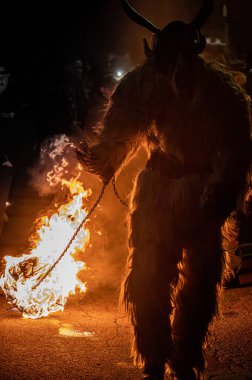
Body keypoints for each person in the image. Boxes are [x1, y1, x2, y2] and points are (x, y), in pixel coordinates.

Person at [76, 1, 251, 379]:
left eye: (180, 56)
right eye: (167, 56)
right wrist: (104, 160)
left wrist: (221, 191)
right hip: (157, 194)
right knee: (149, 275)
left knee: (201, 280)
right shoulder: (143, 82)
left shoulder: (220, 90)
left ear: (193, 52)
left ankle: (185, 356)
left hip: (203, 192)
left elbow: (239, 145)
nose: (174, 66)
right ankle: (155, 355)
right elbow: (121, 130)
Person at [0, 63, 37, 236]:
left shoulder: (16, 101)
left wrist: (14, 161)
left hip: (7, 167)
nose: (1, 80)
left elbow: (28, 134)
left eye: (4, 76)